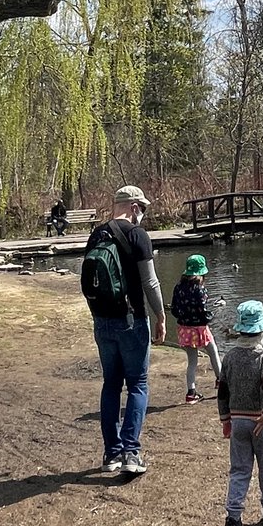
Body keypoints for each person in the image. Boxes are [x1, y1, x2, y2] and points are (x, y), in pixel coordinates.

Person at [86, 185, 166, 477]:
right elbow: (151, 283)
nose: (142, 214)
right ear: (133, 207)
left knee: (110, 384)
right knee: (137, 384)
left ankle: (111, 454)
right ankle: (131, 452)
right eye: (142, 209)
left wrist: (98, 317)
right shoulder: (137, 235)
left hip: (102, 321)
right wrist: (160, 315)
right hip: (132, 320)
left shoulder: (97, 234)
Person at [217, 299, 263, 526]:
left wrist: (225, 419)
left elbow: (222, 389)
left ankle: (233, 518)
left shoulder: (230, 357)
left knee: (240, 469)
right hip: (259, 422)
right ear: (261, 331)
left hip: (238, 421)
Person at [170, 254, 223, 404]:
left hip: (184, 329)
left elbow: (174, 309)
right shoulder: (200, 290)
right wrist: (209, 317)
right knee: (213, 353)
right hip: (200, 329)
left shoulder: (178, 287)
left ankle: (191, 392)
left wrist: (183, 318)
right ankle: (221, 383)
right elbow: (202, 310)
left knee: (192, 361)